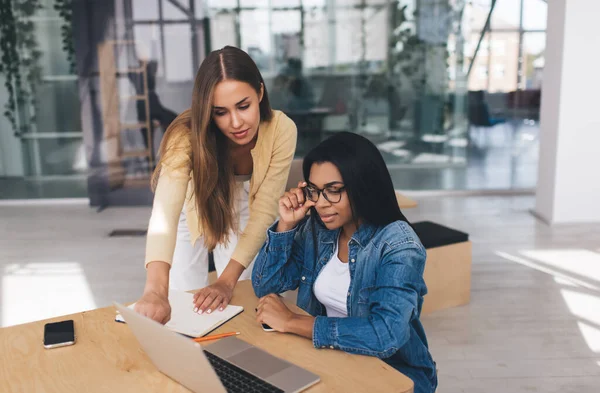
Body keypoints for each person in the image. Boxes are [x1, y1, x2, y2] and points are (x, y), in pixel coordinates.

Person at [252, 132, 437, 393]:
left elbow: (385, 334)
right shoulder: (320, 230)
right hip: (331, 359)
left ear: (363, 185)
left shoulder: (399, 245)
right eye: (315, 192)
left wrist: (292, 321)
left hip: (392, 374)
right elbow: (265, 285)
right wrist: (286, 225)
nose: (322, 204)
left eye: (334, 191)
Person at [134, 46, 297, 323]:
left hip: (249, 206)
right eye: (220, 112)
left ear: (259, 92)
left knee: (240, 295)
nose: (236, 123)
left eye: (243, 106)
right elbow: (165, 212)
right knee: (180, 301)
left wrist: (226, 281)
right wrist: (154, 289)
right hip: (193, 204)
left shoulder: (282, 129)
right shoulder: (185, 136)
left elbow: (265, 211)